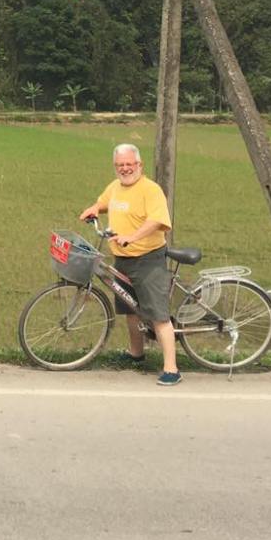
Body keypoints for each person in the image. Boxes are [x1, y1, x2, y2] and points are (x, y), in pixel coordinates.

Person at [79, 143, 181, 386]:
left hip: (148, 258)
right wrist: (93, 209)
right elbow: (105, 202)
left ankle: (172, 368)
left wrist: (132, 237)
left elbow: (158, 220)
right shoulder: (115, 187)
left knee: (158, 314)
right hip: (122, 258)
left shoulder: (150, 190)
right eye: (120, 165)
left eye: (129, 164)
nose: (125, 169)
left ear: (139, 165)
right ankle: (136, 353)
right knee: (129, 308)